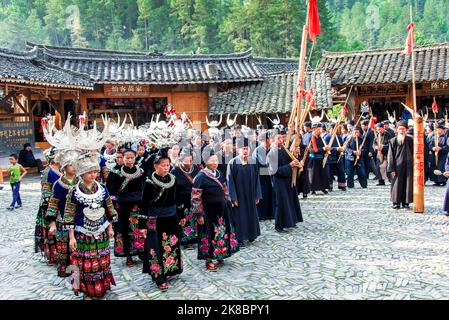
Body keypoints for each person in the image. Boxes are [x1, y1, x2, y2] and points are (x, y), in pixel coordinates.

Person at [63, 152, 117, 299]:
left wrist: (111, 228)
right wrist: (71, 237)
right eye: (89, 172)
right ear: (81, 173)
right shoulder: (73, 192)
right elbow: (69, 215)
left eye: (95, 171)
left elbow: (110, 208)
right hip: (82, 233)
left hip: (101, 230)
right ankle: (87, 290)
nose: (93, 175)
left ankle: (103, 285)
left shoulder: (102, 189)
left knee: (102, 258)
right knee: (84, 262)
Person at [139, 149, 182, 291]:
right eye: (162, 165)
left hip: (171, 218)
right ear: (155, 166)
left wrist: (180, 216)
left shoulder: (173, 179)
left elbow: (178, 198)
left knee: (170, 244)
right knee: (155, 247)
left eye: (167, 165)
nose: (165, 168)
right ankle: (159, 277)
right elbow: (144, 204)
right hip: (154, 219)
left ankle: (169, 270)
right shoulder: (149, 182)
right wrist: (142, 225)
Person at [191, 152, 239, 271]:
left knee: (221, 232)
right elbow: (195, 197)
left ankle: (220, 253)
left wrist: (227, 200)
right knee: (208, 234)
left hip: (221, 210)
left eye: (216, 160)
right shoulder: (200, 177)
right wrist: (199, 214)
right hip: (208, 211)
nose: (215, 163)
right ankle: (208, 259)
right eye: (212, 161)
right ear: (206, 162)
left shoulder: (219, 173)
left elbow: (225, 188)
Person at [106, 149, 146, 266]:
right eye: (127, 158)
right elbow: (110, 190)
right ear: (122, 159)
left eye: (132, 158)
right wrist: (113, 207)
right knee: (124, 229)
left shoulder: (141, 171)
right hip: (122, 205)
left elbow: (145, 188)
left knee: (138, 228)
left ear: (135, 158)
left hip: (138, 205)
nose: (129, 160)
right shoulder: (115, 172)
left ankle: (140, 251)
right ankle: (128, 255)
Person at [45, 150, 79, 277]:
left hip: (78, 219)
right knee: (62, 245)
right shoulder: (58, 184)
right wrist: (53, 223)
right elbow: (53, 204)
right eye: (71, 165)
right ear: (64, 167)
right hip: (61, 218)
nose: (74, 168)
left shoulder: (80, 182)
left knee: (77, 245)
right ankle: (63, 268)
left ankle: (77, 267)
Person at [227, 138, 262, 247]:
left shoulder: (253, 162)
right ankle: (240, 238)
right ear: (238, 150)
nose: (245, 151)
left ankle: (252, 234)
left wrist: (257, 194)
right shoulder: (232, 163)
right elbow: (230, 182)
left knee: (251, 214)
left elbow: (257, 179)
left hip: (251, 194)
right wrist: (233, 198)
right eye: (243, 149)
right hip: (239, 195)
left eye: (247, 148)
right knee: (240, 216)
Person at [266, 129, 303, 232]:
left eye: (282, 137)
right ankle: (279, 226)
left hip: (287, 180)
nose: (281, 140)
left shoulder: (283, 149)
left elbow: (290, 160)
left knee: (290, 200)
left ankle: (291, 221)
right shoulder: (271, 153)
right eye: (278, 138)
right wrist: (290, 166)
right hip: (278, 182)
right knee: (281, 203)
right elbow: (274, 170)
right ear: (272, 140)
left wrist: (296, 156)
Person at [34, 147, 62, 265]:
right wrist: (50, 208)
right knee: (52, 231)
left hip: (61, 204)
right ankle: (53, 255)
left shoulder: (62, 170)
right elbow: (46, 192)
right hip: (50, 204)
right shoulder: (48, 172)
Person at [171, 148, 200, 249]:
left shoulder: (195, 168)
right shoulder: (175, 170)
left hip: (194, 198)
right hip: (181, 198)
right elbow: (173, 186)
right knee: (183, 219)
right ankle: (185, 241)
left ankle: (194, 239)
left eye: (191, 160)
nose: (189, 162)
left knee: (195, 217)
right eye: (187, 160)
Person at [387, 120, 414, 209]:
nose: (401, 131)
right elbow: (390, 156)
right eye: (400, 129)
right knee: (396, 184)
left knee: (407, 184)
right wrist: (391, 168)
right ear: (396, 130)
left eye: (403, 129)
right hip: (397, 167)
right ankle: (396, 202)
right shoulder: (393, 141)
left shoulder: (410, 140)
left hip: (408, 167)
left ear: (406, 130)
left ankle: (406, 202)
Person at [252, 133, 275, 220]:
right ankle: (261, 215)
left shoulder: (271, 149)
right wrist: (269, 170)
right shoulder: (258, 151)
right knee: (263, 195)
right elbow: (257, 166)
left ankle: (271, 214)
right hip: (261, 177)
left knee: (271, 195)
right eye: (267, 139)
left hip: (270, 177)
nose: (269, 141)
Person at [308, 123, 331, 194]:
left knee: (323, 174)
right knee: (314, 175)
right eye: (318, 129)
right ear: (314, 129)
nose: (320, 131)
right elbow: (315, 150)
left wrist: (327, 148)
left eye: (320, 129)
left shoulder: (320, 137)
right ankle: (313, 189)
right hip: (314, 159)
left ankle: (323, 187)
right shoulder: (312, 137)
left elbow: (323, 146)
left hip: (321, 159)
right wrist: (323, 148)